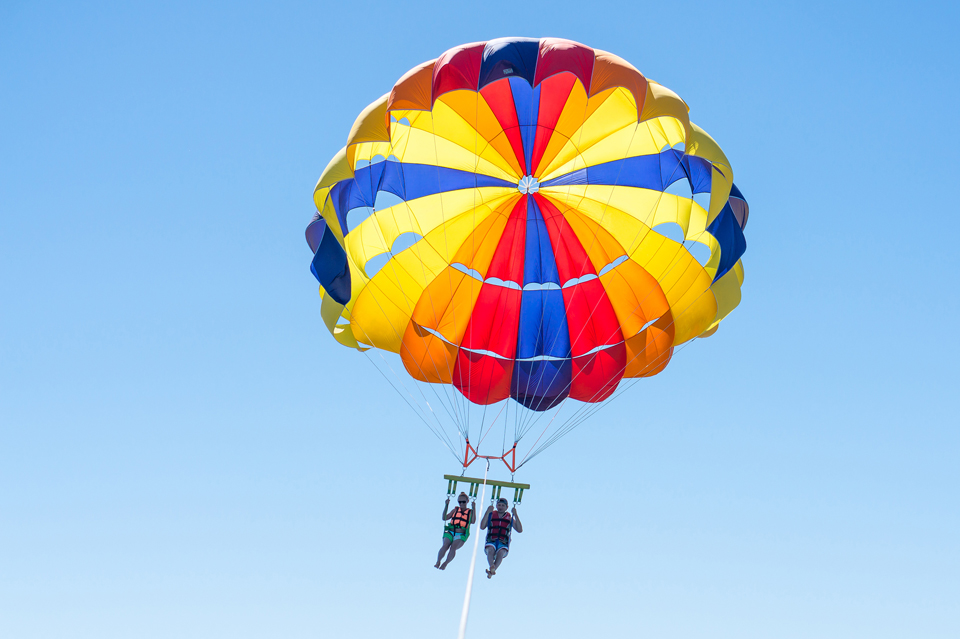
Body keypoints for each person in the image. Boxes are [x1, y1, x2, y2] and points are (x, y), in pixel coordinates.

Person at [480, 497, 522, 578]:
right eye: (499, 505)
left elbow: (519, 530)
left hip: (503, 542)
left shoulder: (509, 517)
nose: (500, 507)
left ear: (506, 507)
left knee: (501, 553)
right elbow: (482, 526)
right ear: (496, 506)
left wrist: (515, 514)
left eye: (503, 505)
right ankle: (492, 566)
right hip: (491, 540)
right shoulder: (491, 515)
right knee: (490, 550)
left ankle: (493, 569)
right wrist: (487, 512)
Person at [435, 492, 476, 570]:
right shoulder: (455, 510)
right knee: (445, 545)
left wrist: (474, 508)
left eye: (463, 502)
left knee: (453, 547)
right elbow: (444, 518)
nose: (461, 504)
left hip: (461, 534)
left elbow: (473, 521)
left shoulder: (470, 512)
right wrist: (446, 505)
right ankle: (438, 561)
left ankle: (445, 563)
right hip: (450, 531)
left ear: (467, 501)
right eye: (459, 502)